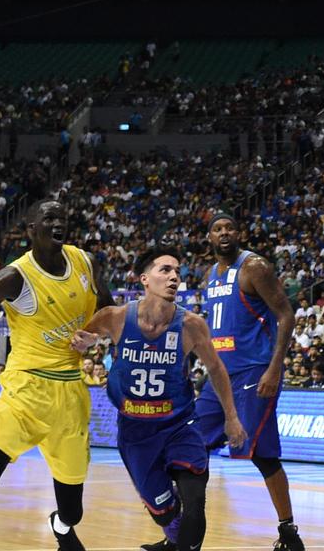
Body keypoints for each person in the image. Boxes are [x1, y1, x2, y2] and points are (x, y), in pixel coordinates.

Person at [71, 248, 247, 551]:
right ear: (144, 279)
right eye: (165, 270)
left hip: (179, 425)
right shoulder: (114, 318)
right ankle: (170, 532)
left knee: (195, 503)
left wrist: (231, 418)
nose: (174, 277)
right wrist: (84, 341)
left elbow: (217, 368)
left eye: (177, 271)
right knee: (164, 511)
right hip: (135, 431)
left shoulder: (191, 325)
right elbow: (78, 341)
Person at [0, 200, 113, 551]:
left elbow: (109, 312)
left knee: (73, 512)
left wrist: (94, 334)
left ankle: (61, 528)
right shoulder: (13, 277)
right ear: (31, 230)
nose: (58, 222)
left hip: (71, 396)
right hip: (26, 391)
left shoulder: (84, 261)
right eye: (49, 218)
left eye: (62, 216)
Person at [196, 213, 301, 551]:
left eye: (229, 228)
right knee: (191, 444)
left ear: (239, 233)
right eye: (217, 229)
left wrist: (275, 368)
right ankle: (186, 524)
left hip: (255, 371)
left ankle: (288, 532)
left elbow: (286, 314)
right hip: (219, 376)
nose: (224, 233)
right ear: (209, 237)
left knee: (261, 455)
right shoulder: (208, 275)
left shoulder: (254, 267)